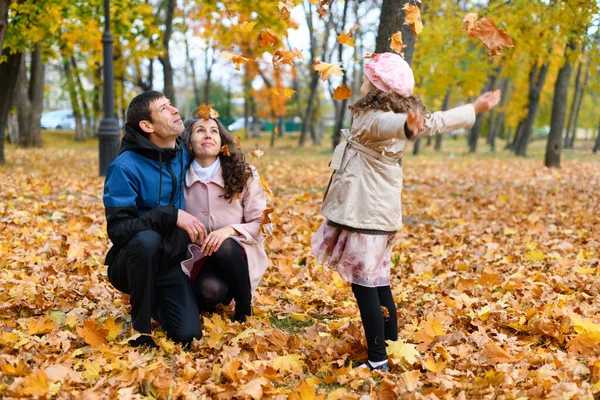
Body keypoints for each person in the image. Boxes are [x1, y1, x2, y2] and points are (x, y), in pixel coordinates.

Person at [311, 52, 500, 371]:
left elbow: (389, 125)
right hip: (377, 210)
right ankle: (390, 348)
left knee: (365, 285)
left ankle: (377, 360)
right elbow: (435, 122)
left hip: (364, 212)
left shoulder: (375, 116)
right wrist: (475, 108)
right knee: (378, 281)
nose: (360, 81)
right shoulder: (391, 113)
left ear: (377, 87)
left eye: (365, 77)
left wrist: (406, 127)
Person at [103, 91, 207, 347]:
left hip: (170, 260)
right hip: (132, 261)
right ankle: (140, 330)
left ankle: (157, 302)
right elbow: (118, 230)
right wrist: (169, 215)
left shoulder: (182, 153)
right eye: (163, 108)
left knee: (188, 336)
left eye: (171, 104)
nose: (174, 110)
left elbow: (215, 149)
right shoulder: (124, 167)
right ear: (147, 126)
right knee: (147, 240)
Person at [180, 116, 269, 322]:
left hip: (238, 253)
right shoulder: (180, 177)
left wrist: (229, 231)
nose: (208, 134)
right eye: (200, 130)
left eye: (214, 130)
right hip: (198, 257)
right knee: (210, 293)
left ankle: (244, 306)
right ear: (189, 142)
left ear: (222, 142)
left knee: (224, 245)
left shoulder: (244, 174)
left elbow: (263, 225)